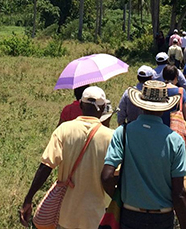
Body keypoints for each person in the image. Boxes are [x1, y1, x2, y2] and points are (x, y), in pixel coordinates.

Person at [20, 87, 115, 229]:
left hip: (66, 215)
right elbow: (113, 177)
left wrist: (28, 199)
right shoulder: (111, 137)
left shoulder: (63, 130)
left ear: (81, 105)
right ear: (102, 109)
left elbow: (45, 167)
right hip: (95, 216)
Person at [101, 81, 186, 229]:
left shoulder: (122, 132)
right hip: (162, 218)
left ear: (140, 105)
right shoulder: (175, 141)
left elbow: (106, 176)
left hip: (130, 214)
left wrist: (119, 198)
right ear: (164, 108)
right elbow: (178, 192)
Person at [118, 65, 186, 127]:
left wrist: (123, 128)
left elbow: (120, 114)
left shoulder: (128, 93)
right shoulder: (155, 94)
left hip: (131, 128)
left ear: (137, 77)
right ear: (151, 78)